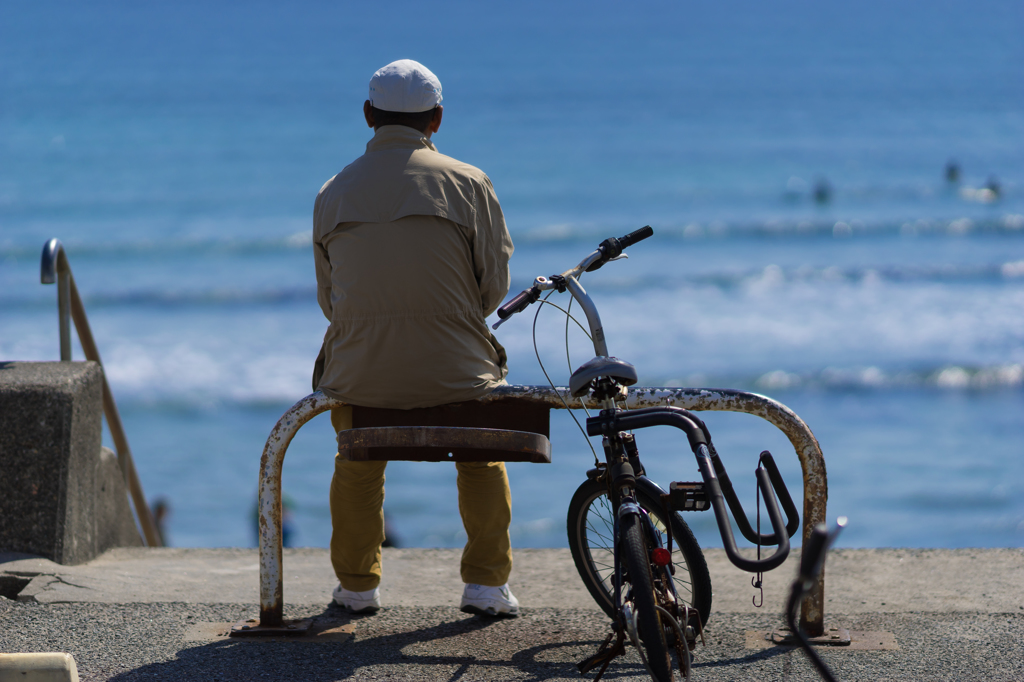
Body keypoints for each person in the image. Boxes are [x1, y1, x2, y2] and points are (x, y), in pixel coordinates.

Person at [312, 60, 518, 617]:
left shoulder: (333, 191)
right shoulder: (470, 182)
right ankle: (485, 586)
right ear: (438, 119)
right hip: (456, 368)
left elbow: (330, 299)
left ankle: (357, 588)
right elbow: (492, 286)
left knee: (356, 466)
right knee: (481, 458)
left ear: (368, 115)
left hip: (363, 372)